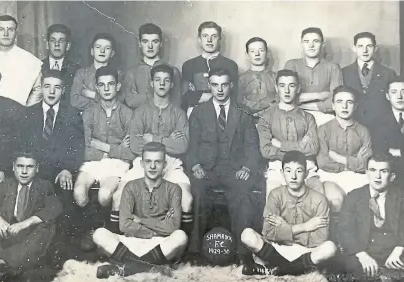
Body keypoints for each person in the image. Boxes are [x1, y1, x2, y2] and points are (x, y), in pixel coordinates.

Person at [0, 70, 84, 235]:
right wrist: (2, 169)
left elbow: (77, 147)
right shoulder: (28, 113)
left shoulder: (72, 114)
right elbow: (15, 145)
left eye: (57, 87)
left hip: (58, 171)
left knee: (64, 197)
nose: (52, 91)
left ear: (63, 90)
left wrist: (67, 169)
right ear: (41, 88)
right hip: (32, 170)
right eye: (47, 86)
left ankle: (59, 245)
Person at [188, 68, 260, 265]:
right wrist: (194, 165)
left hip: (234, 170)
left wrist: (246, 168)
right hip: (206, 169)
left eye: (224, 84)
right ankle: (195, 252)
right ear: (209, 85)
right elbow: (191, 144)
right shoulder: (199, 112)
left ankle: (241, 252)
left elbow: (252, 147)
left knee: (243, 194)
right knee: (198, 192)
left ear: (231, 85)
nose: (219, 90)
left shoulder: (243, 113)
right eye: (215, 85)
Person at [92, 142, 187, 279]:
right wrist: (158, 223)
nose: (152, 166)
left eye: (157, 162)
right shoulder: (130, 187)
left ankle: (123, 269)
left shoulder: (174, 189)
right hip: (131, 242)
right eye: (148, 161)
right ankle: (151, 267)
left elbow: (172, 226)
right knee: (99, 234)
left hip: (159, 244)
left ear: (164, 165)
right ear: (142, 164)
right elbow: (124, 225)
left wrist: (139, 221)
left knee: (180, 236)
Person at [258, 69, 344, 214]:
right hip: (278, 167)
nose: (286, 90)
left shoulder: (308, 117)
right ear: (276, 87)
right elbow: (266, 150)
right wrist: (299, 146)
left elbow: (312, 148)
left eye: (291, 86)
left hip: (306, 167)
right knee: (272, 205)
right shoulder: (266, 117)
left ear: (298, 88)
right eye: (282, 85)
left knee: (318, 202)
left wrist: (280, 145)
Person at [119, 64, 193, 234]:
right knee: (118, 196)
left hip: (172, 163)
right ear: (151, 83)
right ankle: (122, 242)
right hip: (143, 163)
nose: (162, 84)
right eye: (158, 80)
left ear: (172, 85)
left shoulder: (179, 113)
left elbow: (183, 145)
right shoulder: (140, 111)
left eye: (166, 81)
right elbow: (135, 145)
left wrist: (153, 138)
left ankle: (184, 248)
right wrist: (169, 141)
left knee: (187, 200)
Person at [241, 151, 337, 276]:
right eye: (288, 171)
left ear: (306, 173)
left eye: (299, 171)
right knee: (246, 235)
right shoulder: (275, 195)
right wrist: (304, 227)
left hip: (306, 251)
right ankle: (294, 269)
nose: (293, 176)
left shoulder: (319, 200)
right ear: (282, 173)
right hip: (277, 249)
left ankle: (280, 269)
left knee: (330, 248)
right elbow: (268, 232)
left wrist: (283, 229)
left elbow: (319, 239)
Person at [73, 67, 135, 243]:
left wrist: (103, 146)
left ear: (118, 86)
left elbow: (131, 152)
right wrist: (116, 147)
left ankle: (105, 231)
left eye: (111, 84)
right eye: (102, 85)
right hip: (93, 162)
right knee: (78, 193)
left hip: (118, 163)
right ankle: (90, 230)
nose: (106, 88)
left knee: (105, 194)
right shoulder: (89, 113)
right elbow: (85, 149)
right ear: (97, 87)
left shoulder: (128, 114)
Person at [0, 151, 63, 280]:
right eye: (20, 166)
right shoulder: (5, 184)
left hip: (28, 239)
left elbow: (55, 207)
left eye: (29, 167)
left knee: (48, 225)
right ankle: (2, 264)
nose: (24, 171)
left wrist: (27, 222)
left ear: (37, 168)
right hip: (5, 235)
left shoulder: (44, 186)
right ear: (13, 167)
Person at [338, 154, 404, 281]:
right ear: (366, 172)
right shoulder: (354, 196)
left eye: (383, 171)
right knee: (346, 266)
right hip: (365, 250)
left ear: (392, 176)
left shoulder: (400, 196)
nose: (377, 176)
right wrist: (361, 254)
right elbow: (343, 229)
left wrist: (400, 248)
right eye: (373, 170)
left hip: (394, 251)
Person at [0, 15, 43, 174]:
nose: (6, 33)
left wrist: (22, 111)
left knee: (6, 173)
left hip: (14, 126)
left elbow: (38, 90)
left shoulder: (29, 60)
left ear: (16, 32)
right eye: (1, 29)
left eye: (10, 29)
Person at [317, 85, 373, 194]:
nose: (344, 106)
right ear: (333, 105)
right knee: (335, 200)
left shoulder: (363, 131)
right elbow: (323, 162)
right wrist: (354, 161)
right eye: (339, 102)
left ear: (355, 106)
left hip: (357, 176)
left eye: (349, 102)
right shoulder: (323, 129)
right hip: (330, 176)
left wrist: (340, 159)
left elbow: (366, 164)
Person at [284, 27, 343, 126]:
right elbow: (285, 96)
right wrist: (319, 95)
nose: (311, 45)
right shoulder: (291, 65)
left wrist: (302, 104)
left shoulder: (333, 67)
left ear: (322, 44)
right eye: (306, 41)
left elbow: (336, 101)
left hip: (324, 117)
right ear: (301, 44)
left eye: (316, 41)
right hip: (295, 116)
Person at [181, 21, 238, 116]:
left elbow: (233, 97)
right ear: (199, 39)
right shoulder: (189, 65)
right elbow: (186, 97)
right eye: (205, 36)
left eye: (214, 36)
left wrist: (199, 95)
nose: (209, 40)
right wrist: (218, 96)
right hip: (195, 115)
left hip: (223, 115)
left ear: (219, 39)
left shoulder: (230, 65)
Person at [342, 32, 397, 132]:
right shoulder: (344, 73)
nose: (365, 50)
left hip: (381, 129)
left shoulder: (388, 73)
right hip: (352, 128)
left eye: (369, 46)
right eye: (360, 46)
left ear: (375, 48)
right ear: (354, 48)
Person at [123, 23, 181, 109]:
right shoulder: (132, 72)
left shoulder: (173, 71)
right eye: (145, 41)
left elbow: (176, 103)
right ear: (139, 43)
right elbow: (130, 101)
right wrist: (162, 97)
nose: (150, 46)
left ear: (161, 44)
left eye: (155, 41)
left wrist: (141, 97)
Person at [70, 33, 125, 111]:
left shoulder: (118, 74)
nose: (102, 51)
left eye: (107, 48)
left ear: (112, 53)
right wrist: (104, 101)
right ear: (92, 51)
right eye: (98, 47)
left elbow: (119, 100)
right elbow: (74, 100)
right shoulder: (82, 73)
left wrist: (91, 94)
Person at [371, 76, 404, 184]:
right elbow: (381, 153)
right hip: (392, 177)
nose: (399, 96)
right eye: (394, 92)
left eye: (403, 91)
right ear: (387, 96)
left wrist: (398, 152)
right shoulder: (378, 122)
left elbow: (389, 151)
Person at [238, 37, 277, 120]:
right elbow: (239, 102)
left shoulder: (276, 77)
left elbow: (280, 101)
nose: (257, 54)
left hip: (272, 121)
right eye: (252, 51)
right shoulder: (241, 79)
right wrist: (267, 104)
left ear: (267, 53)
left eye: (261, 50)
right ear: (247, 55)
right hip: (247, 122)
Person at [41, 24, 80, 105]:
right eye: (53, 40)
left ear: (68, 46)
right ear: (47, 45)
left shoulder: (76, 70)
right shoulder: (38, 66)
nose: (57, 44)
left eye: (61, 41)